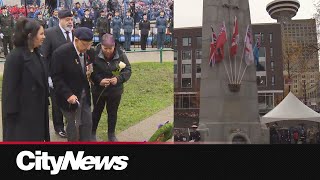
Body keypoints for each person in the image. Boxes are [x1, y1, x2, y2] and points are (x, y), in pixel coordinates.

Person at [2, 17, 49, 141]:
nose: (44, 37)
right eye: (41, 34)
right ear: (30, 36)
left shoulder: (38, 53)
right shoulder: (15, 57)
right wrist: (12, 120)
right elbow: (9, 91)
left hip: (38, 113)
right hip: (21, 118)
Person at [51, 27, 94, 142]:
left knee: (87, 123)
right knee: (74, 126)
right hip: (69, 97)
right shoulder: (60, 53)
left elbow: (91, 69)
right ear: (76, 40)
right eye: (85, 44)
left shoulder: (88, 51)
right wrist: (68, 94)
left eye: (90, 44)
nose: (88, 48)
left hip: (84, 94)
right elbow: (56, 78)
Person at [90, 33, 132, 141]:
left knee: (112, 112)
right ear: (101, 45)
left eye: (110, 48)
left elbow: (127, 70)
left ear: (114, 45)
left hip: (115, 91)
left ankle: (111, 134)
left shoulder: (121, 54)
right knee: (96, 111)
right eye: (105, 48)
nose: (108, 51)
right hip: (98, 90)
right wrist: (99, 80)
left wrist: (118, 79)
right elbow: (90, 71)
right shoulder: (94, 53)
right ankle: (92, 132)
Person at [41, 9, 74, 138]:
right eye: (67, 19)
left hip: (71, 76)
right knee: (57, 103)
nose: (70, 22)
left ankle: (70, 124)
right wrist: (48, 76)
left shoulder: (74, 33)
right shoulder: (50, 33)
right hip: (55, 76)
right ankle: (58, 127)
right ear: (60, 19)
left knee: (70, 100)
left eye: (71, 19)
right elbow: (44, 56)